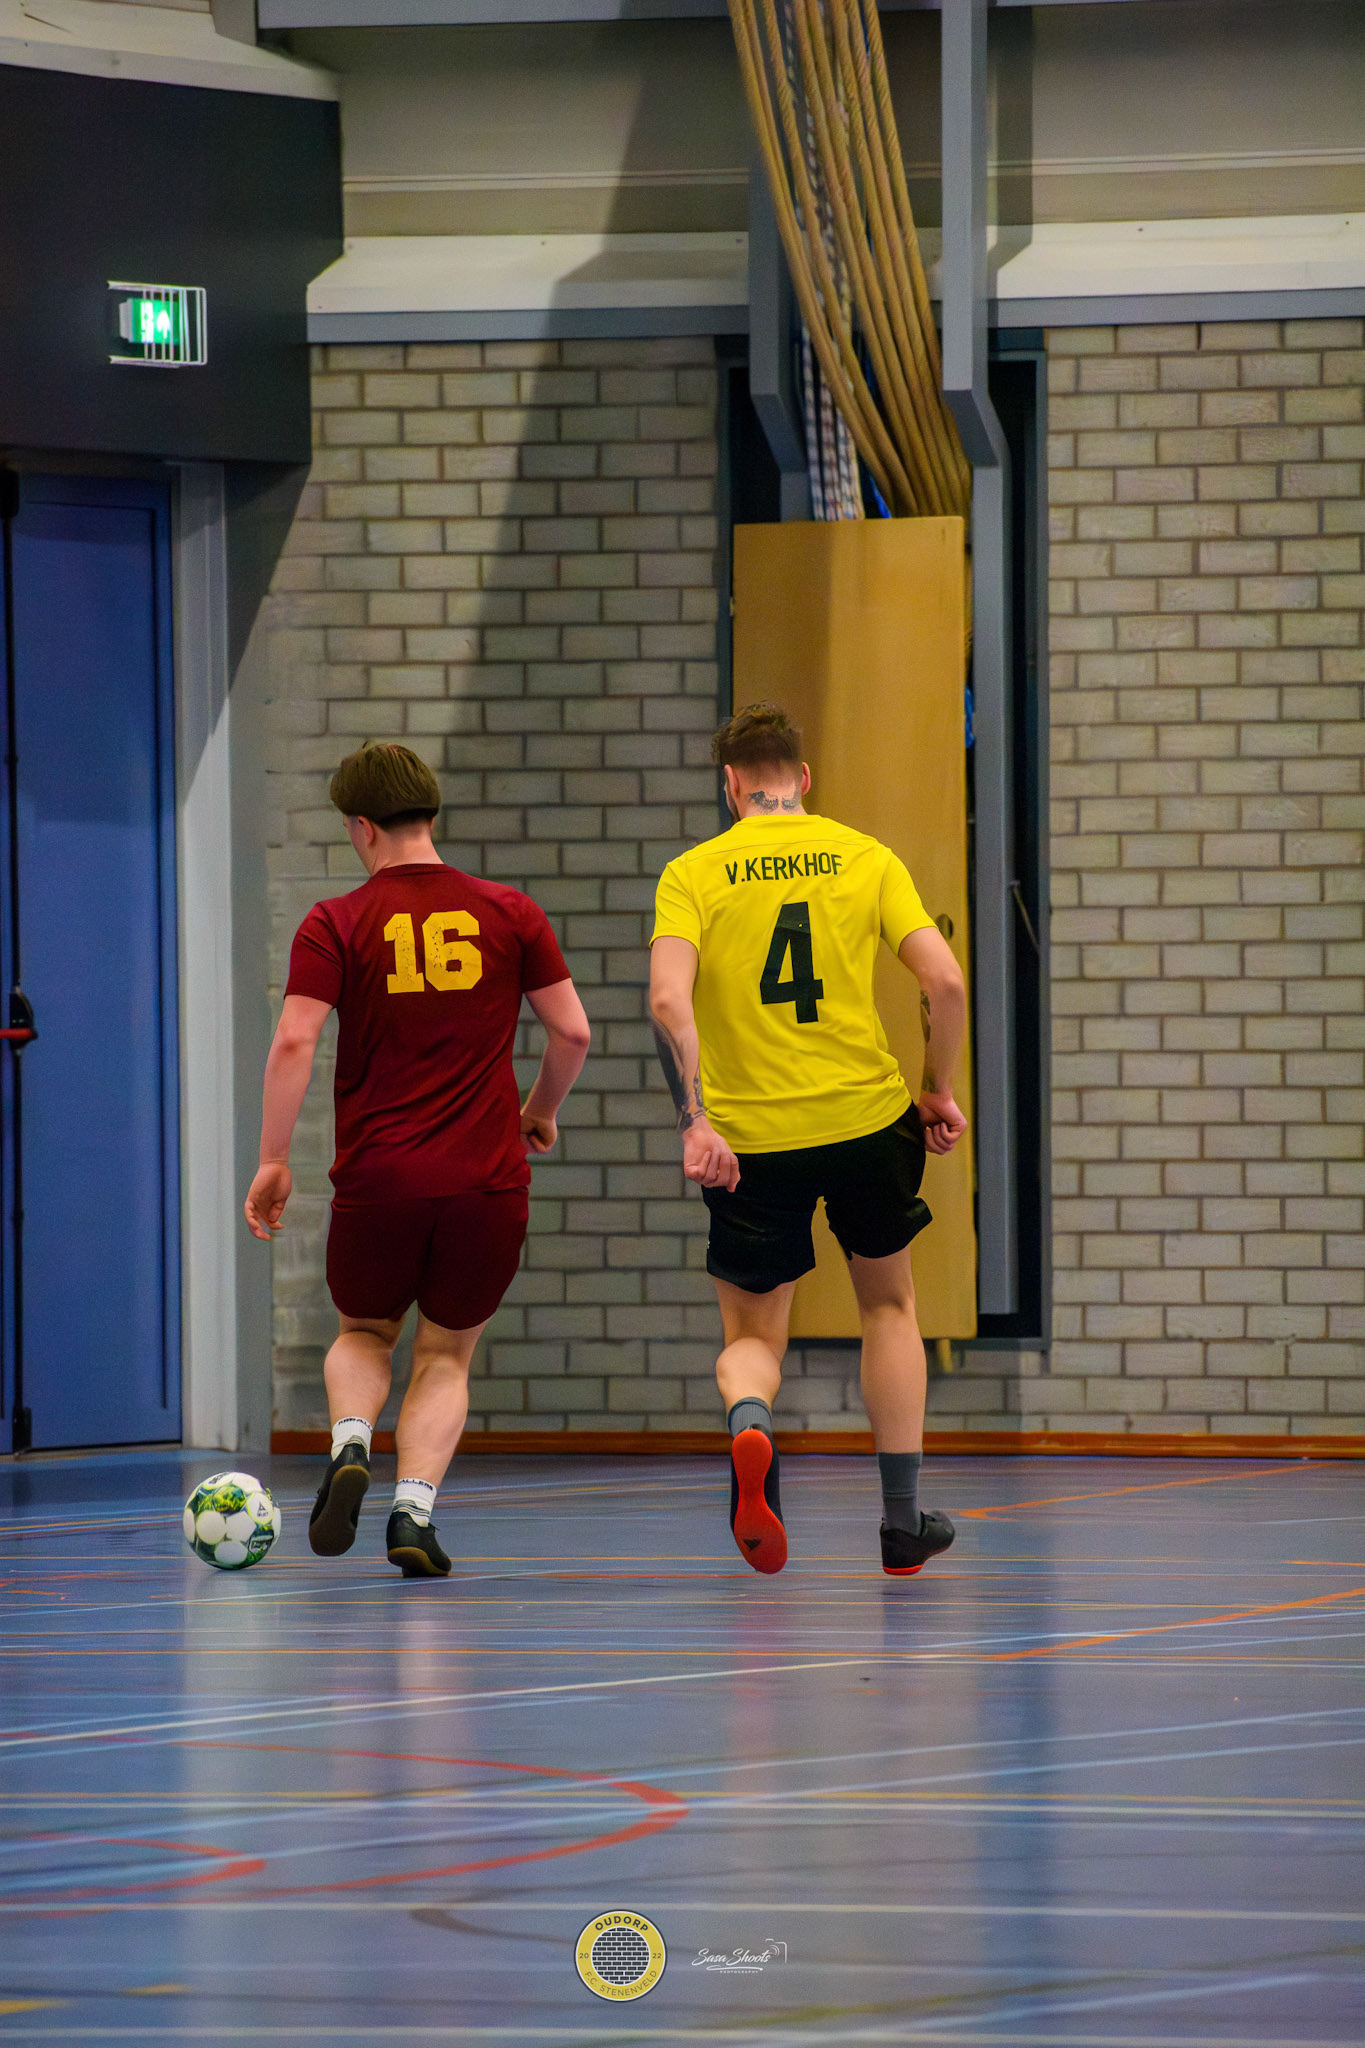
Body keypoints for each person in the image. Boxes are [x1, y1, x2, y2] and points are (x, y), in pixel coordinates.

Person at [245, 742, 590, 1578]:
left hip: (381, 1180)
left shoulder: (335, 921)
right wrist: (539, 1112)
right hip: (485, 1180)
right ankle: (413, 1515)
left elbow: (294, 1039)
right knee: (446, 1353)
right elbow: (573, 1032)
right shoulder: (510, 912)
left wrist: (273, 1159)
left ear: (362, 827)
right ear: (430, 814)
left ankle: (350, 1442)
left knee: (364, 1332)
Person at [649, 702, 968, 1578]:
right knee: (888, 1307)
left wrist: (695, 1119)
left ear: (729, 785)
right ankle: (901, 1523)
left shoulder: (693, 874)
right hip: (866, 1121)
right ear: (803, 778)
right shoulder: (865, 856)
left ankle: (751, 1421)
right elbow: (943, 981)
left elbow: (668, 1000)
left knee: (753, 1334)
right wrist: (936, 1088)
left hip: (751, 1139)